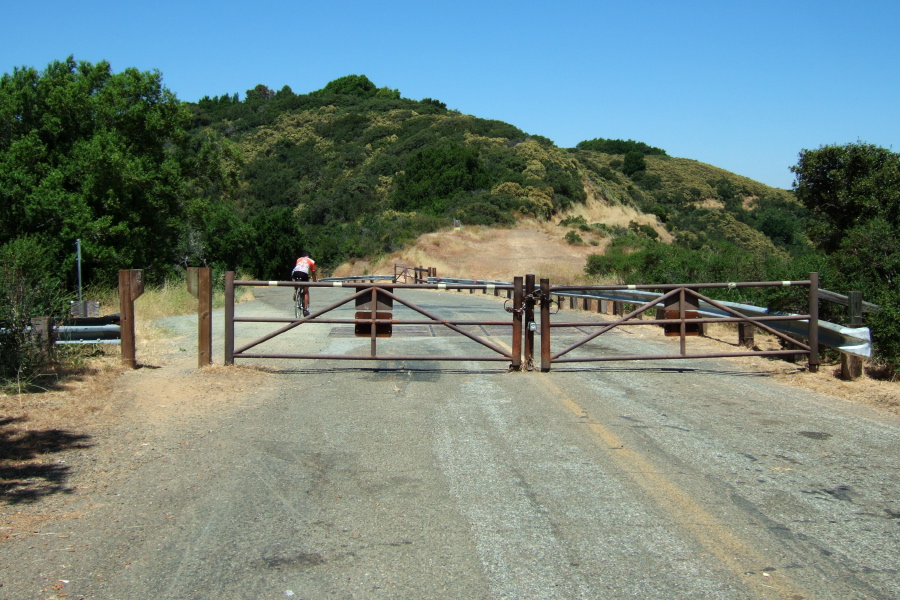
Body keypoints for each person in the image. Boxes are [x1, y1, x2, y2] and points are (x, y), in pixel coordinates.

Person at [291, 252, 317, 316]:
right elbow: (313, 273)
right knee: (305, 291)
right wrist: (314, 280)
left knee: (295, 279)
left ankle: (296, 291)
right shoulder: (312, 261)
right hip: (304, 274)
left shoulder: (299, 259)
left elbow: (297, 268)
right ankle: (305, 309)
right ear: (309, 256)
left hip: (295, 272)